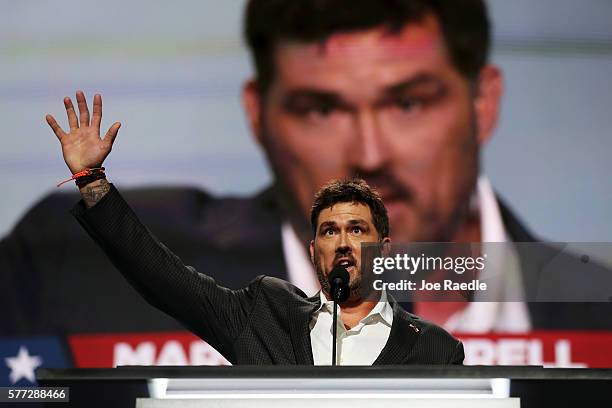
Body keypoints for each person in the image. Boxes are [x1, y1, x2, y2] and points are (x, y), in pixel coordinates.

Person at [1, 0, 609, 340]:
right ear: (258, 115)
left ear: (483, 104)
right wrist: (91, 184)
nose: (370, 153)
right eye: (321, 108)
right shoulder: (63, 274)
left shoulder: (599, 306)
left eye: (408, 102)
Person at [47, 91, 463, 364]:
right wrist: (91, 180)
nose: (342, 243)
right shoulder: (265, 316)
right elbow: (162, 275)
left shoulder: (435, 347)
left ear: (383, 248)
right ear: (311, 249)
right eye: (329, 232)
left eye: (357, 230)